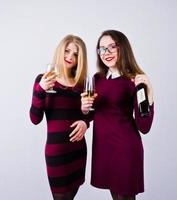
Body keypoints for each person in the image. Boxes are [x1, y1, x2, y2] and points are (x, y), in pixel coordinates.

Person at [81, 30, 154, 200]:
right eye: (102, 49)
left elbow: (145, 127)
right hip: (103, 148)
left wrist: (149, 96)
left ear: (123, 48)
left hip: (125, 149)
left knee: (124, 197)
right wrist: (85, 110)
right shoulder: (97, 79)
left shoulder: (135, 80)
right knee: (115, 196)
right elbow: (92, 114)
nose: (106, 53)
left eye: (112, 47)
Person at [29, 35, 89, 200]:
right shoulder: (44, 80)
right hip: (57, 153)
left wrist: (85, 122)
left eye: (76, 54)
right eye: (67, 51)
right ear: (60, 51)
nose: (70, 57)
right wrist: (40, 89)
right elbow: (35, 118)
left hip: (78, 151)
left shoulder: (81, 84)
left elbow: (89, 113)